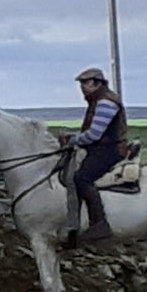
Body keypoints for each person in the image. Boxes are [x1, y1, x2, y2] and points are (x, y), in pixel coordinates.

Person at [63, 68, 129, 245]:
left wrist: (73, 140)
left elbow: (94, 135)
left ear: (97, 83)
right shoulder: (99, 101)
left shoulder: (105, 102)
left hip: (108, 150)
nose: (83, 88)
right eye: (82, 84)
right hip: (101, 148)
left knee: (81, 178)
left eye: (86, 83)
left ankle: (99, 224)